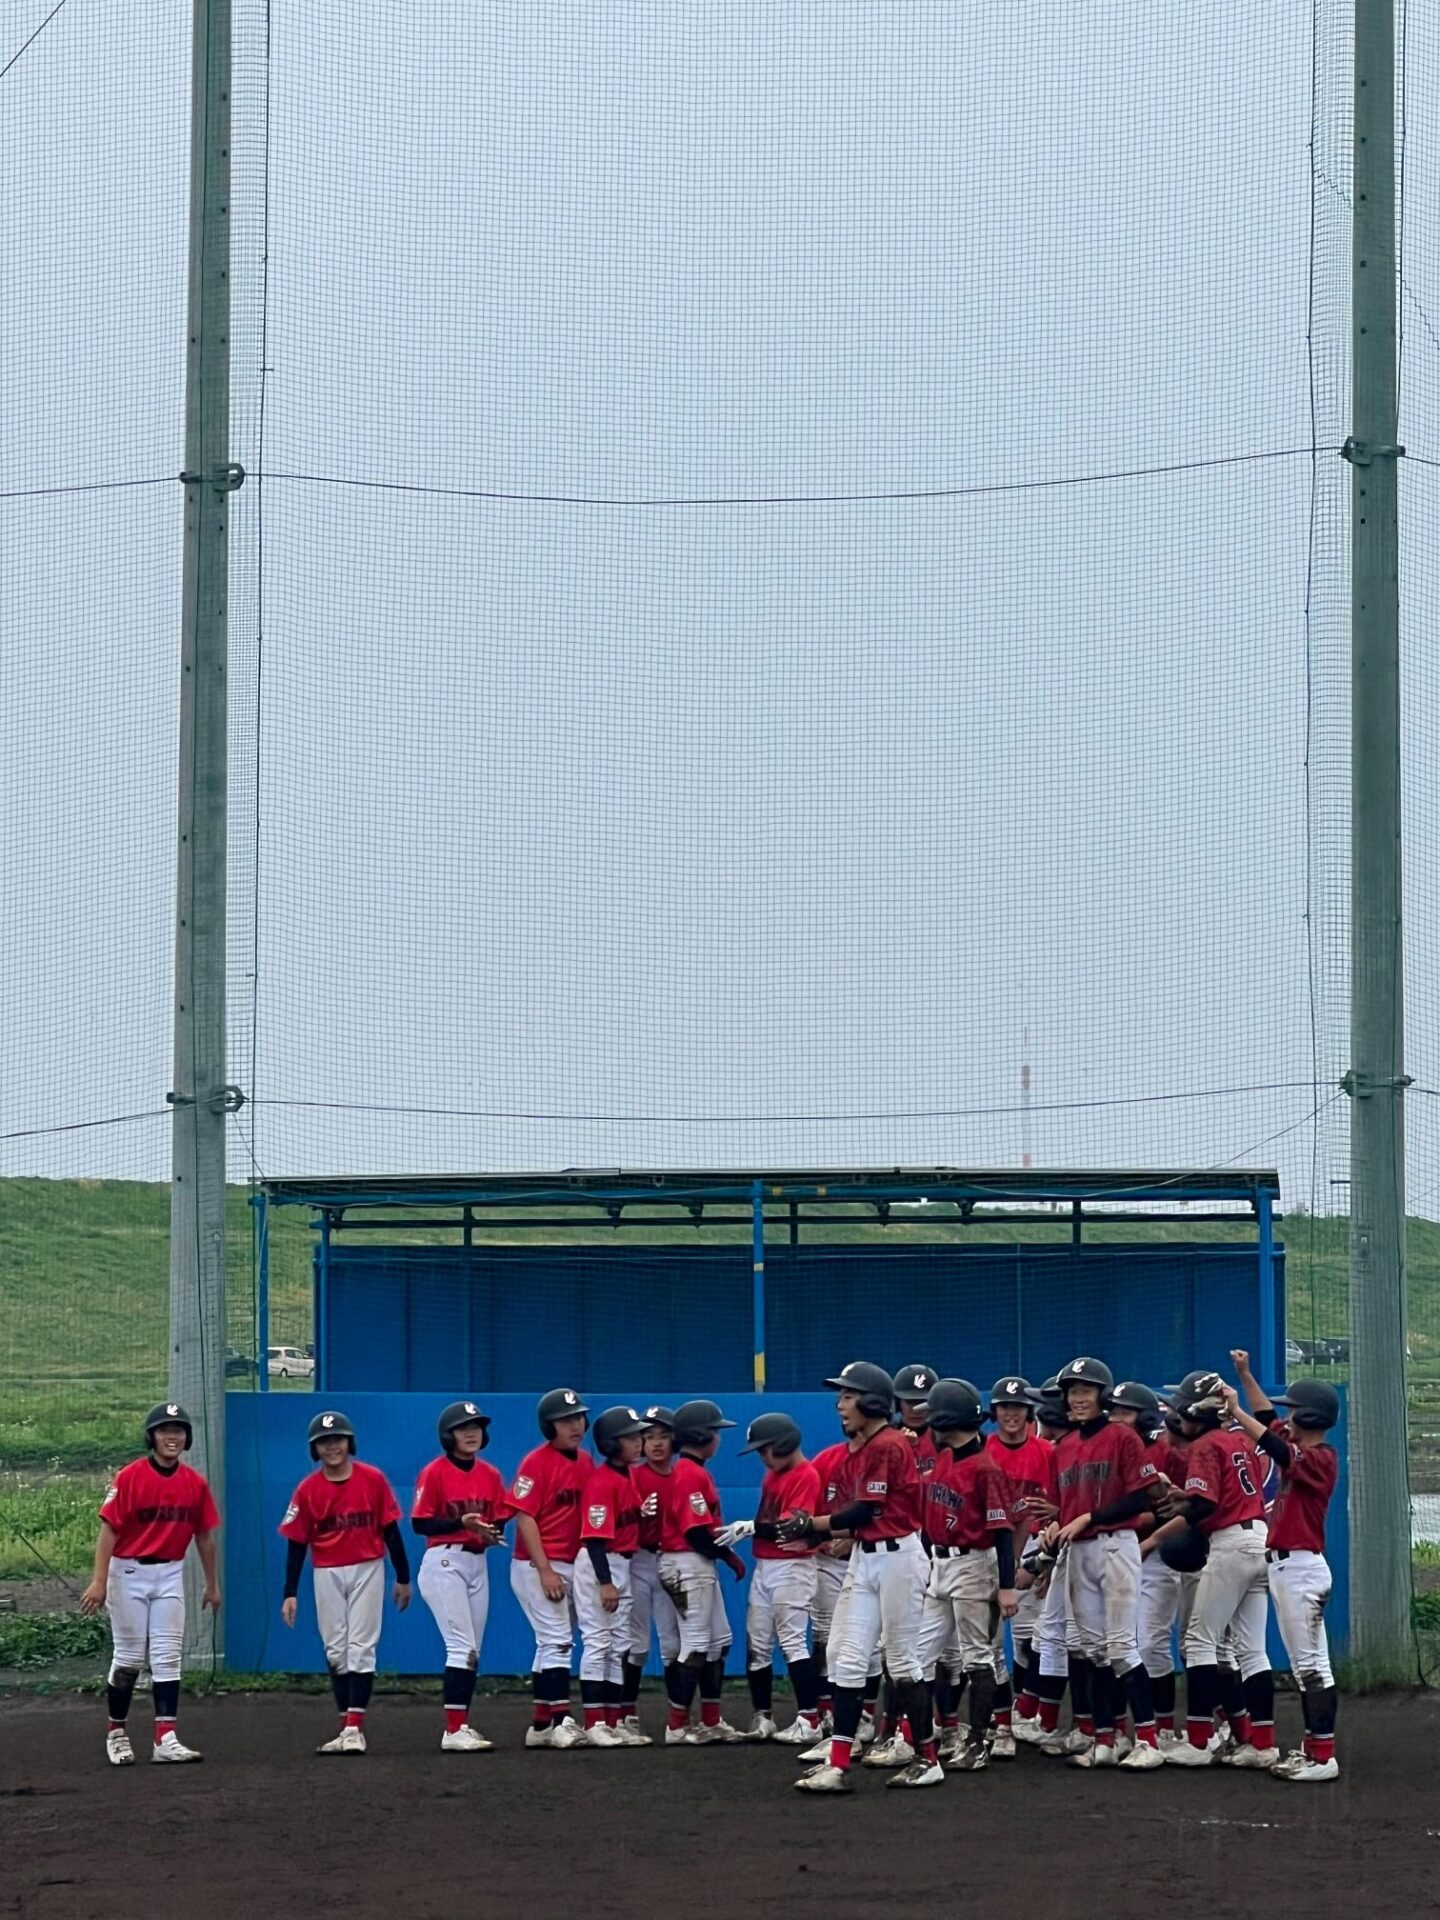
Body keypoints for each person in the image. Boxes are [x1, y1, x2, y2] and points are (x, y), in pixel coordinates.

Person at [784, 1361, 934, 1793]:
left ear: (871, 1401)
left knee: (903, 1661)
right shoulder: (860, 1448)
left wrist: (812, 1525)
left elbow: (866, 1510)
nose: (840, 1404)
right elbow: (860, 1518)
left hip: (900, 1558)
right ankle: (839, 1762)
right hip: (867, 1557)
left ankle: (926, 1759)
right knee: (846, 1658)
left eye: (848, 1396)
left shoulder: (888, 1445)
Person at [80, 1402, 220, 1766]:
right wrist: (99, 1581)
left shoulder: (195, 1483)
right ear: (152, 1437)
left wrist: (212, 1584)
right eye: (164, 1430)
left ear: (187, 1438)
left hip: (170, 1572)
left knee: (168, 1656)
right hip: (128, 1571)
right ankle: (117, 1732)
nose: (172, 1436)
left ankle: (165, 1738)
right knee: (128, 1658)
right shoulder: (130, 1477)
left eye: (178, 1430)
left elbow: (204, 1537)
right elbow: (109, 1530)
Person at [1042, 1356, 1163, 1770]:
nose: (1077, 1399)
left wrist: (1089, 1518)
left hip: (1115, 1543)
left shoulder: (1122, 1438)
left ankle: (1148, 1739)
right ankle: (1106, 1739)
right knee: (1092, 1651)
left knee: (1121, 1647)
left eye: (1085, 1391)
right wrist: (1053, 1526)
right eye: (1072, 1391)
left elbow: (1140, 1498)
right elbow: (1063, 1508)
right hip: (1080, 1549)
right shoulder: (1063, 1449)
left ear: (1102, 1396)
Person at [1228, 1351, 1342, 1782]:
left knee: (1312, 1668)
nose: (1287, 1418)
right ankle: (1314, 1750)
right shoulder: (1299, 1447)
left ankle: (1323, 1757)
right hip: (1287, 1568)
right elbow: (1267, 1418)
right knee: (1307, 1666)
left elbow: (1270, 1439)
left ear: (1312, 1416)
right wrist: (1244, 1376)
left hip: (1301, 1569)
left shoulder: (1321, 1459)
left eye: (1294, 1411)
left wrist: (1236, 1413)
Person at [1158, 1369, 1275, 1769]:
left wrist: (1181, 1504)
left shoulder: (1206, 1444)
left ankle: (1199, 1740)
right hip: (1259, 1539)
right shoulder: (1235, 1439)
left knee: (1199, 1641)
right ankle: (1261, 1743)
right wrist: (1185, 1499)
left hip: (1230, 1543)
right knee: (1252, 1650)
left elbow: (1205, 1506)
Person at [279, 1410, 411, 1755]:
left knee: (362, 1646)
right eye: (324, 1442)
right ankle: (346, 1727)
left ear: (349, 1442)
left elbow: (391, 1531)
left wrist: (403, 1577)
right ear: (315, 1449)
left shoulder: (372, 1478)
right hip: (327, 1570)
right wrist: (290, 1592)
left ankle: (354, 1727)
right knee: (336, 1649)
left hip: (368, 1567)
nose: (332, 1447)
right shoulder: (308, 1489)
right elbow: (297, 1542)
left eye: (337, 1439)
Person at [914, 1378, 1017, 1774]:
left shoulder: (986, 1468)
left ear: (947, 1419)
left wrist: (1006, 1586)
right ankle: (928, 1740)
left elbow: (1002, 1533)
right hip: (940, 1565)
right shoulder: (944, 1459)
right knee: (921, 1658)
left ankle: (978, 1743)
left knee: (978, 1656)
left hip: (975, 1565)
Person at [411, 1399, 506, 1752]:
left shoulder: (491, 1475)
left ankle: (460, 1726)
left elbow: (499, 1516)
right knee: (462, 1648)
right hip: (444, 1562)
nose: (472, 1433)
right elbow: (420, 1522)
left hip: (477, 1563)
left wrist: (490, 1530)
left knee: (473, 1651)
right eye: (463, 1428)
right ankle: (453, 1731)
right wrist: (460, 1523)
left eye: (476, 1427)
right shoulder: (434, 1471)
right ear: (447, 1435)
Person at [506, 1388, 593, 1749]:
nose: (575, 1425)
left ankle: (541, 1726)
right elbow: (523, 1515)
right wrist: (544, 1569)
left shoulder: (586, 1461)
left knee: (550, 1644)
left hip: (572, 1563)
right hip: (537, 1563)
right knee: (557, 1641)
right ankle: (561, 1721)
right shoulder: (535, 1462)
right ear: (549, 1425)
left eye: (578, 1418)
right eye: (565, 1420)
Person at [657, 1399, 747, 1744]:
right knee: (695, 1645)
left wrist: (722, 1556)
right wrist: (727, 1556)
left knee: (719, 1641)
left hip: (693, 1562)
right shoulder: (689, 1473)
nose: (719, 1438)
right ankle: (677, 1726)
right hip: (685, 1562)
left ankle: (710, 1720)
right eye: (714, 1431)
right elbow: (694, 1532)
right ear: (699, 1435)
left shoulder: (692, 1471)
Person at [733, 1412, 823, 1743]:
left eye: (764, 1449)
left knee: (792, 1641)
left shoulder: (806, 1475)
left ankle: (809, 1720)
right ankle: (763, 1717)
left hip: (793, 1566)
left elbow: (789, 1528)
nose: (761, 1456)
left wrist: (752, 1527)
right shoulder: (771, 1476)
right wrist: (755, 1529)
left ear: (783, 1443)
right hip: (766, 1565)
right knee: (757, 1642)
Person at [1109, 1380, 1182, 1751]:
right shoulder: (1111, 1450)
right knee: (1120, 1644)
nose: (1116, 1417)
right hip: (1119, 1555)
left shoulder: (1164, 1452)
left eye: (1125, 1411)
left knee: (1151, 1642)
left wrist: (1143, 1524)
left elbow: (1175, 1510)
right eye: (1115, 1410)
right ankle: (1123, 1727)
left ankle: (1165, 1728)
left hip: (1158, 1558)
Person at [572, 1406, 652, 1747]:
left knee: (620, 1644)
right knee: (599, 1643)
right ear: (610, 1443)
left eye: (639, 1435)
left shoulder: (627, 1476)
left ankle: (614, 1720)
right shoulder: (602, 1481)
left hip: (620, 1563)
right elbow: (592, 1537)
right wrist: (605, 1582)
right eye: (631, 1437)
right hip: (599, 1563)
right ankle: (594, 1722)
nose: (639, 1442)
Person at [983, 1374, 1052, 1756]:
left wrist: (1045, 1563)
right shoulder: (984, 1449)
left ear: (1029, 1412)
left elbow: (1056, 1509)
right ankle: (1001, 1724)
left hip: (1036, 1549)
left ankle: (1028, 1711)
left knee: (1031, 1640)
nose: (1012, 1413)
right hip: (991, 1550)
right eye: (1005, 1407)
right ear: (995, 1412)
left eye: (1018, 1407)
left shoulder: (1046, 1451)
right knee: (989, 1646)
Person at [621, 1405, 680, 1735]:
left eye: (663, 1436)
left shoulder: (684, 1475)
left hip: (672, 1560)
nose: (656, 1444)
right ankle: (627, 1714)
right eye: (648, 1436)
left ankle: (677, 1720)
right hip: (639, 1562)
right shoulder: (633, 1476)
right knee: (638, 1644)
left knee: (673, 1644)